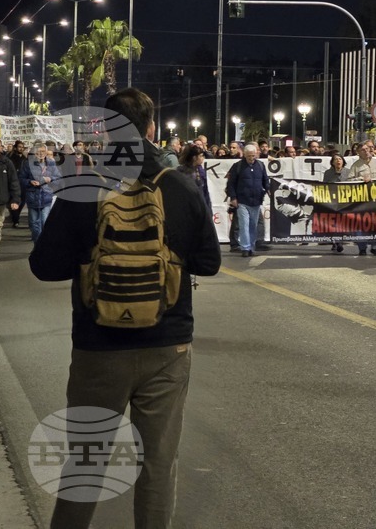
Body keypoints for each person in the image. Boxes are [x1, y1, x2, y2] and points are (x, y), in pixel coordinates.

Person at [30, 87, 221, 529]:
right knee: (158, 462)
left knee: (86, 462)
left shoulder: (84, 185)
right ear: (152, 129)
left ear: (103, 128)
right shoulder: (178, 184)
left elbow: (44, 266)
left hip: (98, 346)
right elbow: (209, 263)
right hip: (167, 347)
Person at [226, 144, 269, 257]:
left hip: (256, 200)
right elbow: (231, 184)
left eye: (253, 156)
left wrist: (268, 190)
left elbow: (265, 180)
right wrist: (233, 198)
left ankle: (251, 247)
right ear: (244, 155)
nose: (251, 158)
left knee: (253, 225)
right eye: (249, 156)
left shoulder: (261, 165)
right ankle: (245, 248)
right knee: (244, 224)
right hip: (242, 201)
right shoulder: (237, 166)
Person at [346, 141, 376, 256]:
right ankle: (362, 247)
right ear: (358, 152)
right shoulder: (356, 165)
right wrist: (361, 179)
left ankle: (375, 246)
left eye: (367, 149)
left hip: (375, 198)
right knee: (361, 223)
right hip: (361, 199)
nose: (366, 151)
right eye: (363, 150)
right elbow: (349, 181)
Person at [19, 141, 60, 244]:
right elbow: (21, 179)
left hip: (46, 196)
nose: (41, 154)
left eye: (43, 151)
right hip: (32, 197)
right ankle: (37, 242)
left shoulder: (51, 163)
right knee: (34, 223)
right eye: (38, 152)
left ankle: (41, 245)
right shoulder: (27, 163)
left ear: (46, 152)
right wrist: (30, 182)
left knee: (44, 221)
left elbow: (59, 178)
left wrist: (50, 179)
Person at [323, 153, 346, 253]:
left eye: (340, 159)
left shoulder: (348, 172)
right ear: (332, 162)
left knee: (342, 222)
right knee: (333, 222)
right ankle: (335, 242)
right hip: (332, 200)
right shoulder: (328, 173)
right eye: (335, 159)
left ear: (343, 161)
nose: (338, 161)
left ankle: (339, 241)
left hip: (345, 201)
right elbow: (324, 186)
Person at [8, 140, 28, 228]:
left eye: (22, 147)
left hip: (22, 183)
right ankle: (15, 219)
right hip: (13, 182)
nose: (21, 148)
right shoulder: (10, 158)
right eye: (19, 147)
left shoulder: (25, 158)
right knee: (13, 200)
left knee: (22, 201)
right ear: (15, 148)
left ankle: (16, 216)